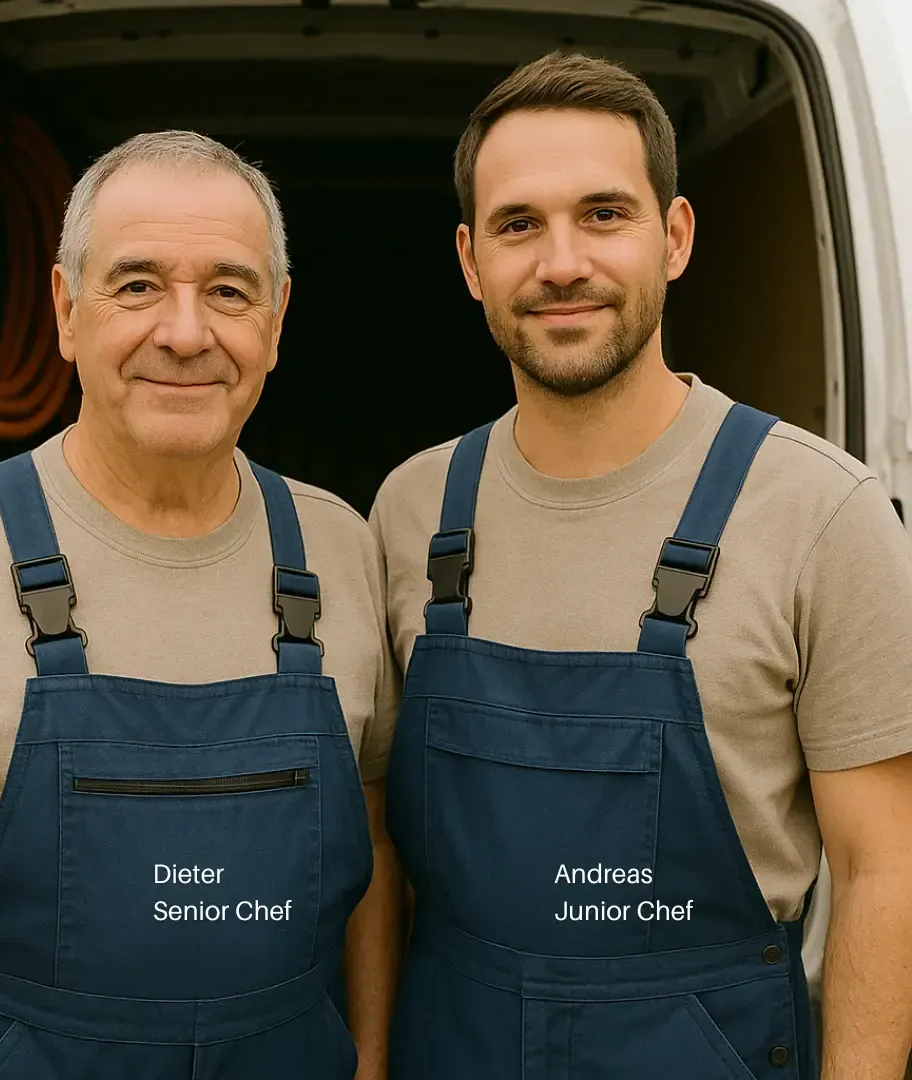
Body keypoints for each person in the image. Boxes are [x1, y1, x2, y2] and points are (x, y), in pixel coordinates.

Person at [371, 52, 912, 1080]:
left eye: (604, 214)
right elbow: (382, 856)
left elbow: (889, 871)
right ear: (470, 259)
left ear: (675, 238)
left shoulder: (821, 511)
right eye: (519, 223)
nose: (561, 262)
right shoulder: (410, 512)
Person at [0, 131, 401, 1080]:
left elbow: (374, 846)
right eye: (137, 285)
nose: (185, 333)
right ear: (65, 309)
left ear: (277, 319)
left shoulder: (342, 547)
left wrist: (373, 1063)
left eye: (228, 289)